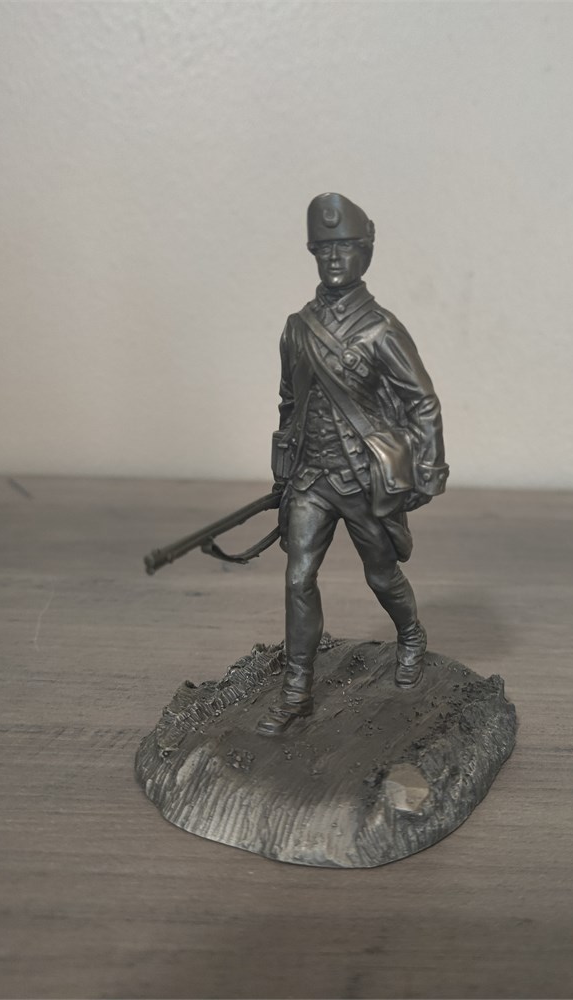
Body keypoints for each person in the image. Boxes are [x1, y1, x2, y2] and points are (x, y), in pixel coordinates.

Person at [256, 193, 448, 736]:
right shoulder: (297, 328)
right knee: (298, 578)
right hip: (311, 479)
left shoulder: (381, 329)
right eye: (325, 249)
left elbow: (422, 401)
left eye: (345, 248)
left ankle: (410, 635)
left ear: (366, 252)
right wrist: (282, 474)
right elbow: (288, 403)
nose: (335, 258)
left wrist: (427, 472)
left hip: (363, 480)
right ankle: (297, 689)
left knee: (381, 574)